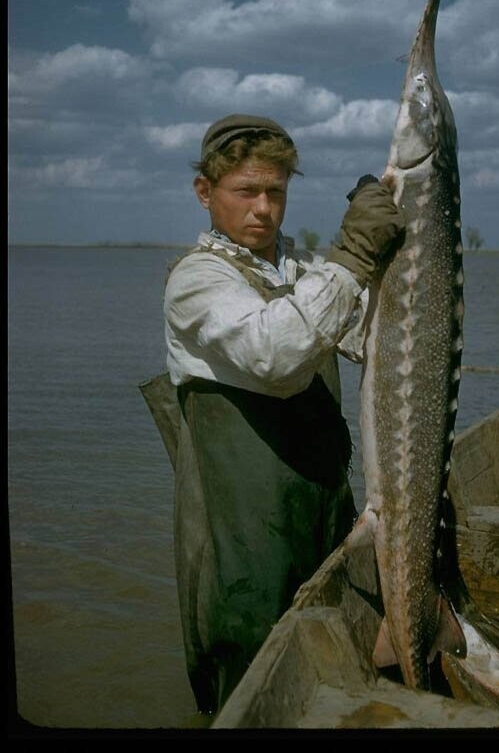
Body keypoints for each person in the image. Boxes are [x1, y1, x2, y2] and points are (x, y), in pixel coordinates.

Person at [144, 113, 405, 717]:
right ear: (205, 193)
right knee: (247, 659)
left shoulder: (302, 271)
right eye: (245, 191)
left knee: (331, 634)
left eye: (276, 192)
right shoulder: (196, 278)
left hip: (318, 506)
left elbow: (368, 341)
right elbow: (275, 352)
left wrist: (396, 255)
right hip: (240, 537)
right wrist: (356, 249)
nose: (263, 208)